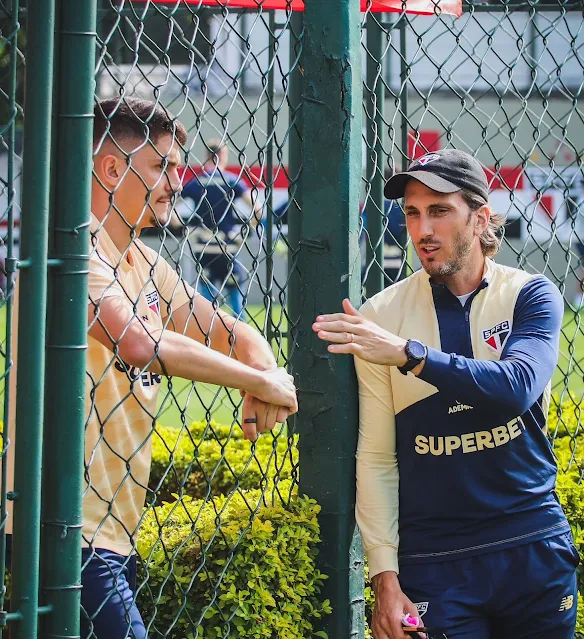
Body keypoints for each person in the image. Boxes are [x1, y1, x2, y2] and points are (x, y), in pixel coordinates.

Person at [312, 149, 579, 639]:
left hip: (532, 546)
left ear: (479, 218)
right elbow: (377, 458)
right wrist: (384, 579)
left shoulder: (530, 294)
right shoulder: (380, 317)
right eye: (413, 213)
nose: (423, 230)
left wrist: (409, 355)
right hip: (435, 564)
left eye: (439, 211)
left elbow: (516, 387)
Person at [81, 97, 297, 638]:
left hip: (114, 530)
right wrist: (258, 381)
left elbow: (224, 329)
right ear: (112, 169)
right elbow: (139, 342)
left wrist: (262, 367)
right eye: (163, 167)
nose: (177, 183)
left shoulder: (143, 261)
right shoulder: (73, 250)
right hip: (65, 528)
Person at [179, 140, 263, 319]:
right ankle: (239, 332)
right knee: (236, 299)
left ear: (206, 156)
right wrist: (245, 232)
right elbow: (257, 209)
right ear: (223, 155)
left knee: (206, 302)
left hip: (204, 246)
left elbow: (171, 207)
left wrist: (183, 228)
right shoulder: (231, 181)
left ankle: (207, 330)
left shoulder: (197, 182)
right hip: (227, 245)